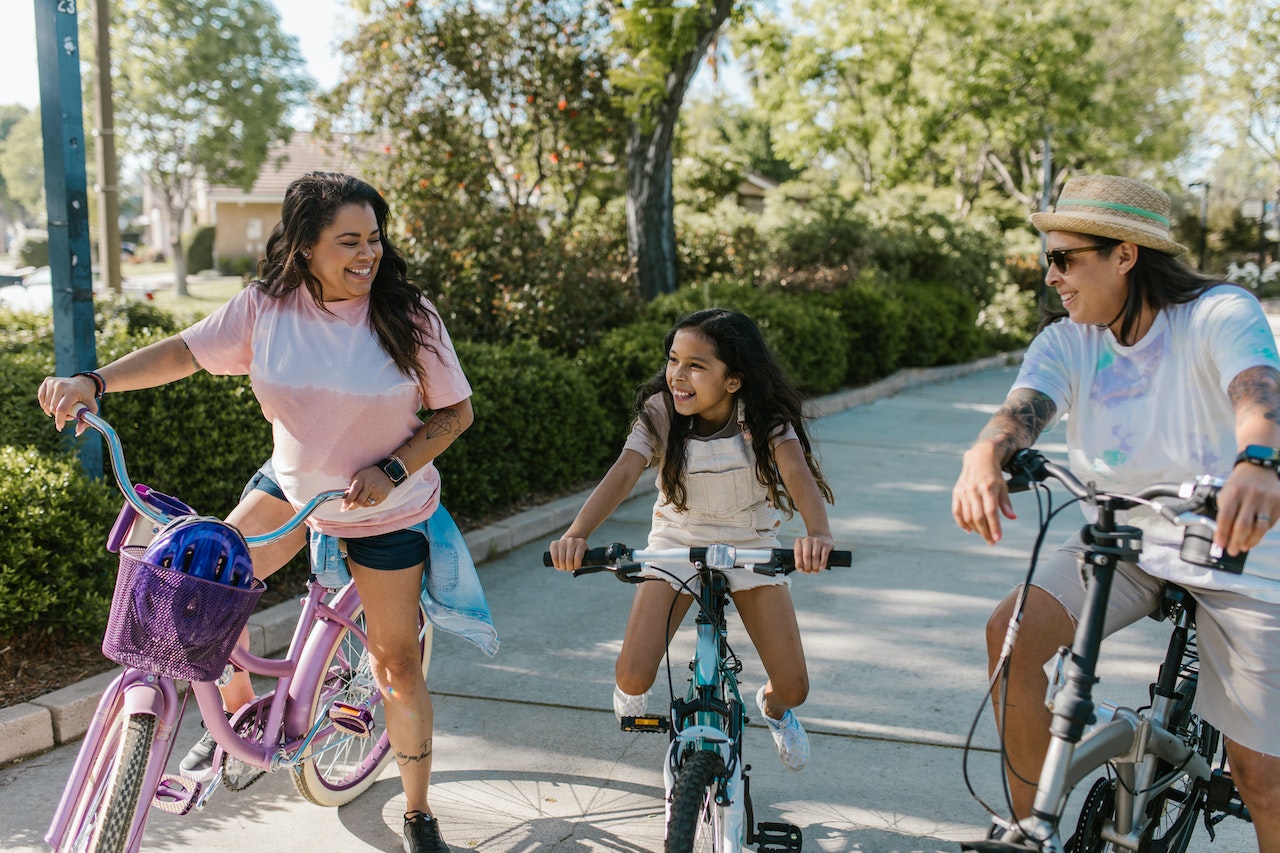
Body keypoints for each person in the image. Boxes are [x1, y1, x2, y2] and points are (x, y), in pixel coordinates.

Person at [38, 172, 485, 853]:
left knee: (396, 662)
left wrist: (392, 467)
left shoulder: (408, 313)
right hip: (290, 485)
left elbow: (457, 412)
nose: (367, 254)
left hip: (383, 505)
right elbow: (185, 351)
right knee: (205, 590)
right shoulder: (266, 308)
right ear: (306, 245)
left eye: (374, 238)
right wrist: (94, 381)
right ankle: (239, 721)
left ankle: (419, 812)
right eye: (347, 241)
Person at [951, 174, 1280, 851]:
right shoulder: (1071, 338)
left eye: (1065, 257)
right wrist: (984, 455)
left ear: (1125, 254)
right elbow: (1021, 412)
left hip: (1237, 545)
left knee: (1261, 775)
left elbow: (1258, 391)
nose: (1051, 276)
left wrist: (1258, 459)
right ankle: (1027, 826)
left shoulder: (1220, 313)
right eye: (1050, 258)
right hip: (1123, 540)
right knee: (1010, 639)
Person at [548, 307, 837, 771]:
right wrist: (576, 534)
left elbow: (797, 474)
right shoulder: (662, 411)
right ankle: (634, 689)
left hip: (750, 541)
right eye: (673, 359)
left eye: (696, 366)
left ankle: (774, 711)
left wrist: (817, 534)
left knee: (794, 686)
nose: (677, 376)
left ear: (734, 381)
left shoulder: (764, 420)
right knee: (634, 676)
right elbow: (624, 471)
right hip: (676, 538)